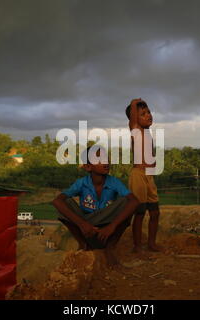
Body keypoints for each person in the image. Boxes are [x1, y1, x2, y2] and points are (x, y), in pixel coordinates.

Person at [52, 146, 139, 266]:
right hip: (87, 227)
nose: (105, 162)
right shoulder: (81, 183)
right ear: (88, 167)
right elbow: (57, 201)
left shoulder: (114, 182)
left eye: (106, 158)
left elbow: (134, 201)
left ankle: (110, 246)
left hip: (106, 227)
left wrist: (112, 226)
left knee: (127, 203)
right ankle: (83, 244)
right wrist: (82, 224)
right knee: (64, 203)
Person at [126, 98, 162, 253]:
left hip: (149, 176)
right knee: (140, 213)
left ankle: (152, 244)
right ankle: (137, 247)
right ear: (134, 118)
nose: (148, 115)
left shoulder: (148, 134)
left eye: (148, 112)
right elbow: (133, 115)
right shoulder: (136, 129)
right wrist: (135, 102)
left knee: (155, 212)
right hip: (138, 176)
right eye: (143, 114)